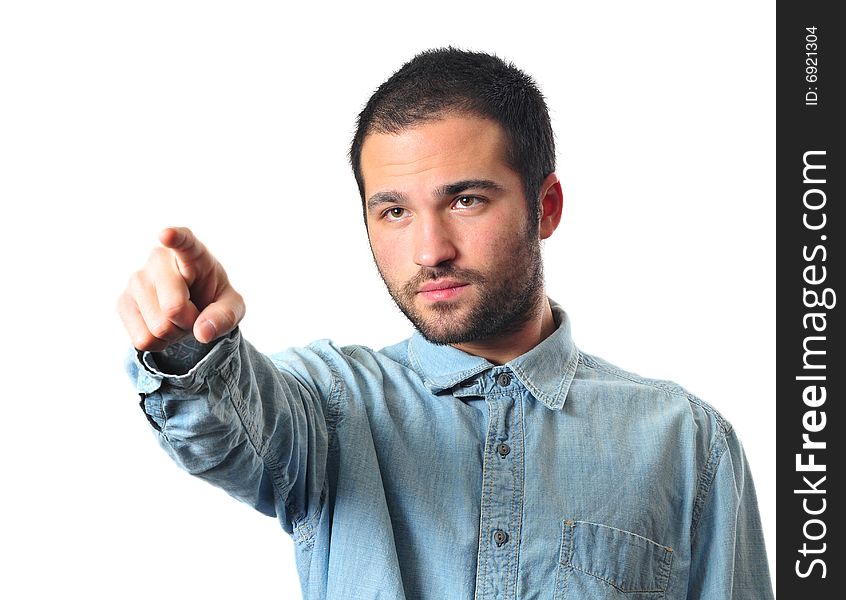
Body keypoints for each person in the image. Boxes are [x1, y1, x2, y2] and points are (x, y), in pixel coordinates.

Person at [119, 48, 773, 599]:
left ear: (544, 208)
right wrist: (189, 348)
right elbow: (232, 430)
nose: (430, 251)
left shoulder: (688, 443)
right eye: (394, 212)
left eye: (465, 200)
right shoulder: (326, 404)